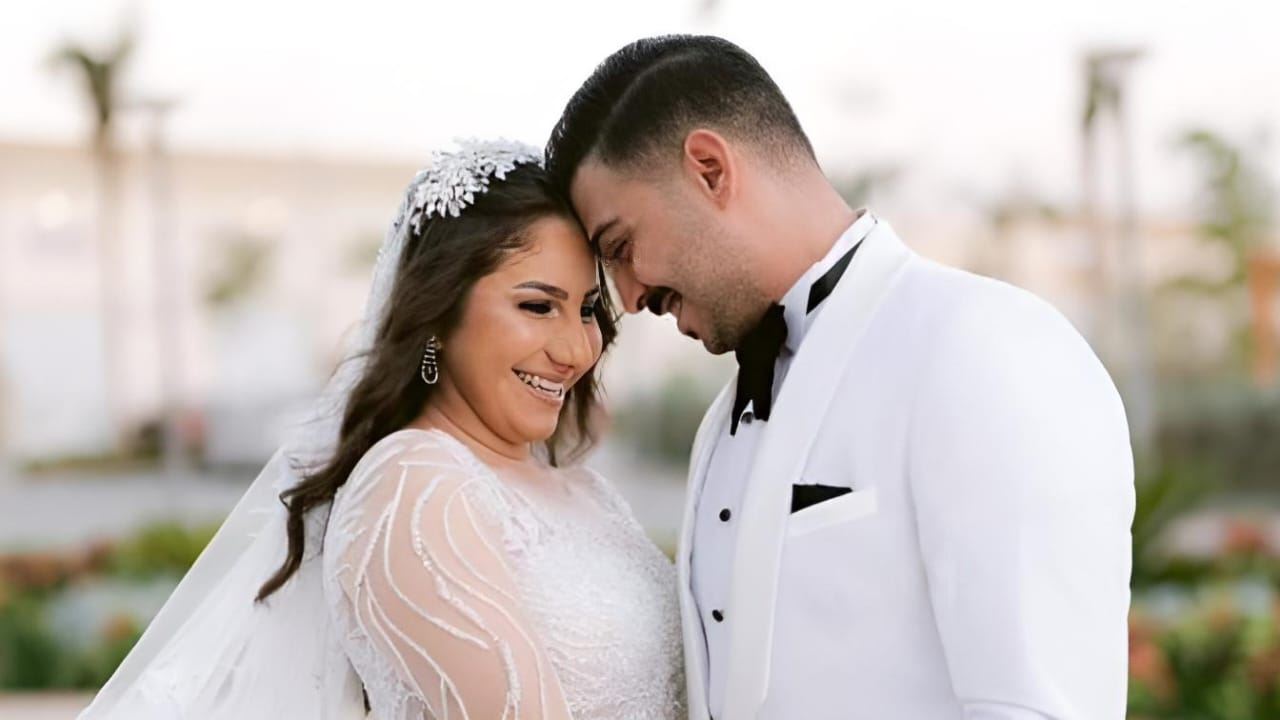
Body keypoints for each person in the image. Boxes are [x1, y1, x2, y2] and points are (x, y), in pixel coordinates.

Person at [546, 35, 1136, 719]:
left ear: (710, 169)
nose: (627, 296)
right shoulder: (720, 422)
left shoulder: (986, 345)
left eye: (621, 246)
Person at [78, 140, 685, 720]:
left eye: (587, 309)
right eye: (537, 306)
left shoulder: (586, 491)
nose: (576, 349)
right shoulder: (414, 487)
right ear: (439, 313)